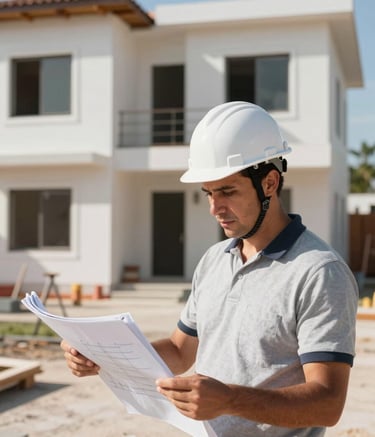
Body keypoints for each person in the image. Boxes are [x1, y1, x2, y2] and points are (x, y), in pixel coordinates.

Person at [61, 101, 358, 436]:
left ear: (270, 184)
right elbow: (178, 351)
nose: (216, 208)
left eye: (228, 191)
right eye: (209, 193)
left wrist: (231, 399)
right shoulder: (215, 260)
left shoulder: (319, 272)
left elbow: (328, 403)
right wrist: (104, 358)